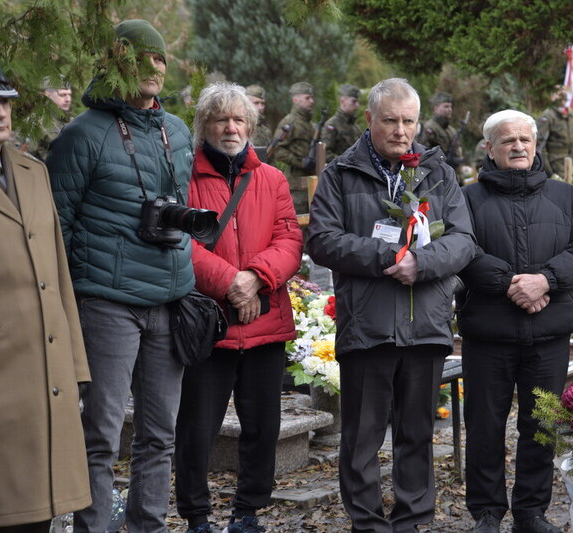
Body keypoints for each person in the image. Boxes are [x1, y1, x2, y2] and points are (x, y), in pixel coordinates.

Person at [47, 19, 196, 532]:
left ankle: (147, 526)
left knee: (160, 435)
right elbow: (57, 228)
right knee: (101, 436)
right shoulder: (81, 135)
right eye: (141, 58)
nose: (154, 67)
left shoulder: (177, 131)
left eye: (160, 59)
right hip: (107, 302)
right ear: (116, 64)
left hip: (168, 300)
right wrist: (71, 304)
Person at [308, 77, 475, 533]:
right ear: (369, 119)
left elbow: (464, 240)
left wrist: (421, 262)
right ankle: (367, 524)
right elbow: (321, 240)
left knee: (416, 435)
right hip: (368, 325)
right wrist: (388, 256)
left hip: (425, 325)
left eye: (408, 121)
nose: (401, 131)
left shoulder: (438, 172)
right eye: (390, 121)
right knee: (361, 438)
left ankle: (411, 522)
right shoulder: (341, 173)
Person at [457, 110, 573, 533]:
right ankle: (486, 512)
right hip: (488, 333)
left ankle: (531, 512)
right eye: (508, 140)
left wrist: (546, 280)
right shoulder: (467, 199)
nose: (518, 146)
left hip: (548, 334)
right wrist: (512, 284)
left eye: (525, 139)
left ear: (536, 145)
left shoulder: (565, 197)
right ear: (490, 149)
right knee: (484, 426)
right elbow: (460, 248)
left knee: (541, 425)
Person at [174, 82, 303, 533]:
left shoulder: (272, 178)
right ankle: (197, 516)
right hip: (209, 325)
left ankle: (247, 511)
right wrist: (230, 283)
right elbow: (180, 243)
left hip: (264, 318)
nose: (230, 128)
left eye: (239, 120)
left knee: (262, 426)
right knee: (197, 429)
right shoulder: (183, 176)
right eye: (220, 120)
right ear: (204, 126)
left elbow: (289, 240)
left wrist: (255, 279)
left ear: (250, 126)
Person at [0, 44, 91, 533]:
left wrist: (75, 362)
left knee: (40, 511)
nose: (0, 112)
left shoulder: (33, 171)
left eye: (4, 102)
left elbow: (58, 275)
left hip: (47, 372)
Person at [273, 81, 315, 213]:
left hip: (312, 183)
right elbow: (278, 150)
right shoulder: (289, 122)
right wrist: (301, 162)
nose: (312, 101)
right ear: (295, 100)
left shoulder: (310, 124)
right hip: (296, 187)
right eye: (307, 98)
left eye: (312, 98)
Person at [537, 85, 573, 179]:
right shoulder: (548, 115)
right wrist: (549, 171)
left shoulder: (571, 115)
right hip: (554, 163)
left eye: (564, 92)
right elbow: (540, 146)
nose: (562, 96)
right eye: (558, 93)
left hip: (569, 162)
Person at [417, 91, 463, 167]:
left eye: (450, 107)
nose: (450, 109)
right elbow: (424, 153)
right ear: (436, 108)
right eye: (446, 106)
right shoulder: (429, 128)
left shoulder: (451, 130)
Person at [32, 79, 74, 161]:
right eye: (62, 95)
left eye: (69, 95)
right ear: (47, 95)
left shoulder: (73, 121)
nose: (68, 99)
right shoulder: (35, 123)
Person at [323, 83, 362, 162]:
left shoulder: (356, 127)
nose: (357, 105)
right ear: (342, 101)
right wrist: (346, 161)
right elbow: (325, 154)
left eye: (358, 102)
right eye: (353, 101)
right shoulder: (332, 125)